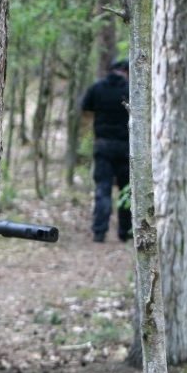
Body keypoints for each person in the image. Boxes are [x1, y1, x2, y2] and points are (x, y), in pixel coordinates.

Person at [80, 58, 131, 242]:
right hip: (126, 147)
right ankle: (125, 232)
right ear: (126, 70)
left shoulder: (97, 87)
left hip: (103, 144)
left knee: (103, 189)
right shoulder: (131, 89)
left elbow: (85, 109)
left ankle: (99, 231)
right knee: (126, 189)